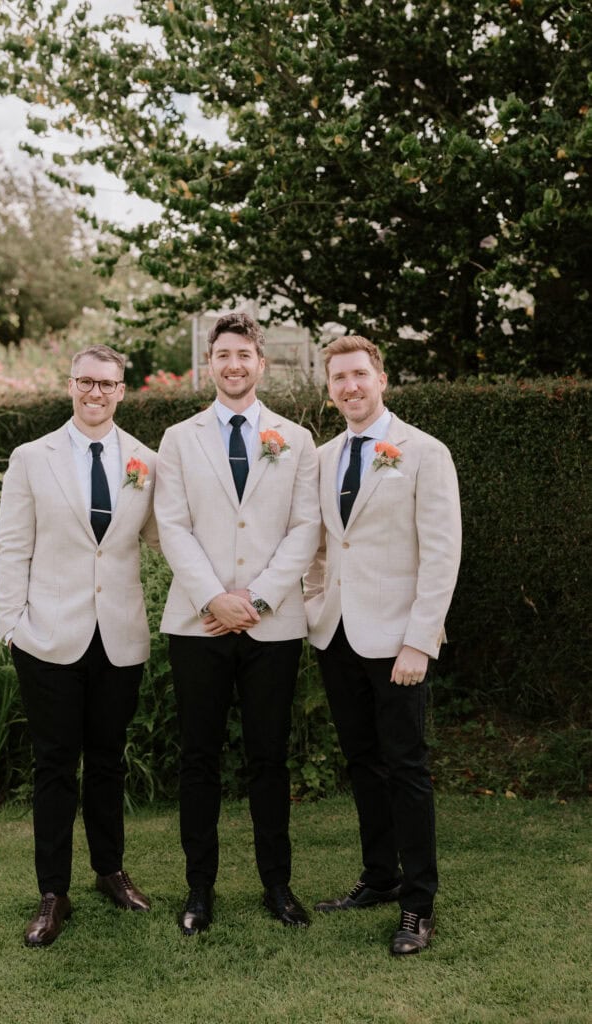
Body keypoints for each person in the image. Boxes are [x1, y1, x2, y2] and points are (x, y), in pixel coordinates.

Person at [154, 312, 321, 935]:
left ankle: (277, 884)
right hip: (198, 626)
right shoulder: (179, 438)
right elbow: (173, 526)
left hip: (272, 626)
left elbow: (306, 528)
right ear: (210, 363)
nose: (233, 365)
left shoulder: (295, 439)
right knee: (198, 757)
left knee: (268, 758)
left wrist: (260, 599)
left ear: (261, 363)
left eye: (243, 355)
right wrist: (213, 599)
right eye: (222, 355)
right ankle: (199, 889)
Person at [0, 344, 159, 947]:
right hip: (47, 636)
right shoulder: (31, 458)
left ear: (122, 390)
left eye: (107, 384)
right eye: (86, 382)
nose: (96, 393)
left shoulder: (145, 459)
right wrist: (11, 624)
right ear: (71, 386)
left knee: (109, 761)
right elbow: (12, 546)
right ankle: (52, 891)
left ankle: (110, 872)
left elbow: (170, 535)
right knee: (55, 766)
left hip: (118, 636)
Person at [304, 335, 461, 955]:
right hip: (337, 635)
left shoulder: (424, 453)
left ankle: (418, 904)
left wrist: (420, 641)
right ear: (330, 388)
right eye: (339, 378)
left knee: (407, 768)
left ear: (382, 378)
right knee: (362, 764)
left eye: (359, 375)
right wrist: (317, 603)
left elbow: (442, 554)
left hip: (399, 641)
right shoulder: (321, 458)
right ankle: (380, 877)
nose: (350, 387)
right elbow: (319, 547)